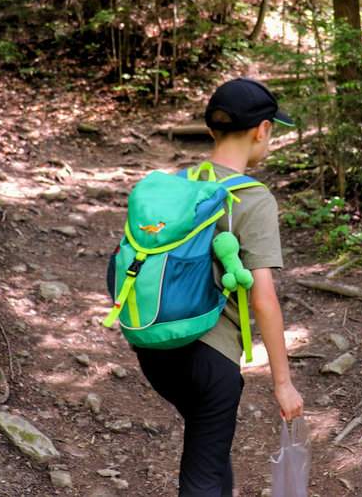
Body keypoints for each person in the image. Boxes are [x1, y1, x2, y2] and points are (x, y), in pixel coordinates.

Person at [133, 77, 304, 497]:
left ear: (211, 130)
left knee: (209, 448)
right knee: (203, 476)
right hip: (212, 359)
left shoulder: (180, 185)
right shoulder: (253, 198)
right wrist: (283, 383)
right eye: (271, 132)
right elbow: (262, 298)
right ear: (262, 130)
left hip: (155, 348)